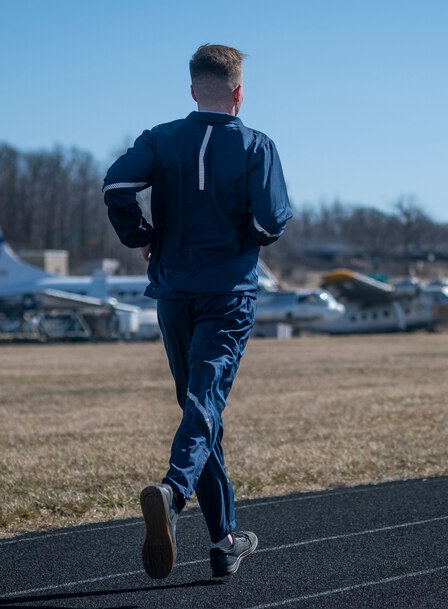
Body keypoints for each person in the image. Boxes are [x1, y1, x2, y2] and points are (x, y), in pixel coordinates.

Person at [103, 43, 292, 580]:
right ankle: (173, 490)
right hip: (227, 293)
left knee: (199, 410)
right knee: (204, 406)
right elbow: (272, 220)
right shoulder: (257, 145)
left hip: (174, 292)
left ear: (192, 89)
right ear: (239, 91)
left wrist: (142, 235)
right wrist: (240, 240)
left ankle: (224, 541)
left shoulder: (160, 138)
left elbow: (117, 184)